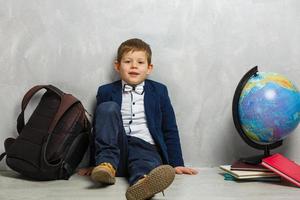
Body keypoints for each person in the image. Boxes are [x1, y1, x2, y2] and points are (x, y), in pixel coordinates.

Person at [78, 38, 197, 200]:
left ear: (149, 68)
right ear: (117, 66)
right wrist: (94, 162)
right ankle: (105, 167)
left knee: (144, 160)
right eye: (128, 61)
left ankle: (143, 182)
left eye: (140, 62)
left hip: (146, 148)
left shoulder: (159, 91)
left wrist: (176, 163)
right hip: (115, 154)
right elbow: (99, 129)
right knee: (107, 108)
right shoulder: (106, 91)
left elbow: (169, 128)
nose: (134, 66)